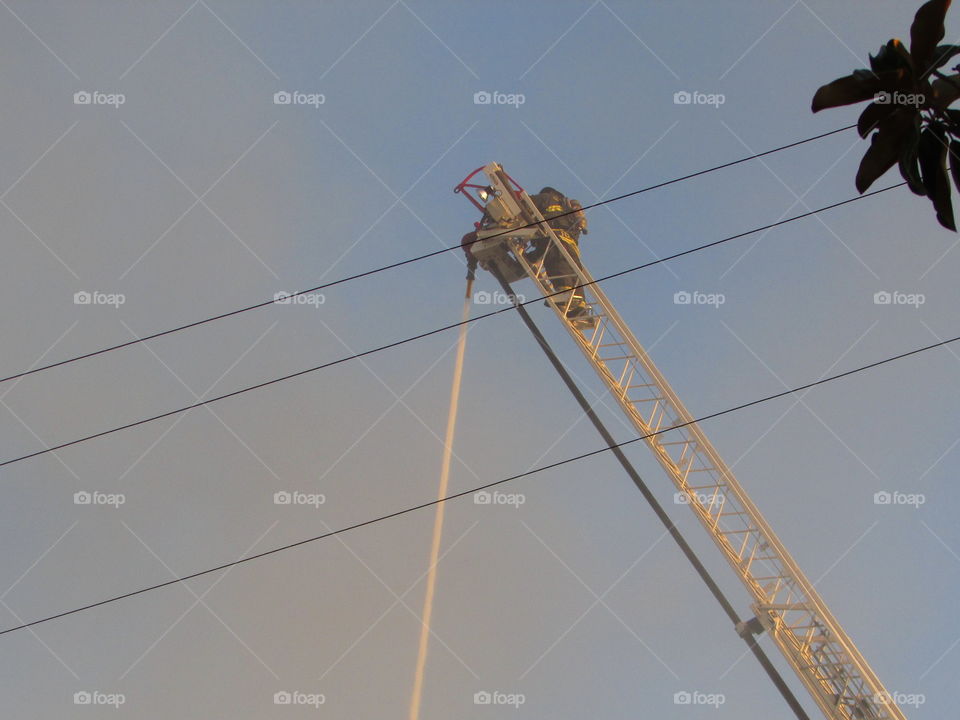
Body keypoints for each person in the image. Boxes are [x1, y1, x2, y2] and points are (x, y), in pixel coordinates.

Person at [528, 187, 590, 319]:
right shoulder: (567, 208)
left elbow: (526, 202)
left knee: (556, 263)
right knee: (575, 272)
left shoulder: (546, 198)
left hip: (554, 237)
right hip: (572, 246)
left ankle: (564, 292)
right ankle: (580, 308)